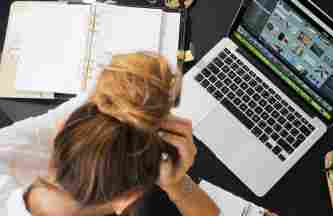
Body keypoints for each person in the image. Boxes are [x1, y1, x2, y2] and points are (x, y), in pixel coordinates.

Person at [0, 52, 220, 216]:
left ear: (59, 132)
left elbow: (104, 102)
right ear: (126, 200)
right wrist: (179, 185)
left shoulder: (5, 150)